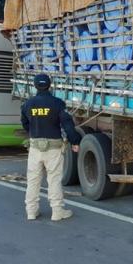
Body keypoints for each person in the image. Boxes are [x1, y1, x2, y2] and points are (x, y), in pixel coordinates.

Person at [21, 74, 82, 221]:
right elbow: (67, 124)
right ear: (50, 85)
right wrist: (75, 141)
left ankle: (31, 211)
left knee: (33, 180)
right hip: (53, 148)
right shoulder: (57, 103)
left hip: (35, 148)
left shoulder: (27, 105)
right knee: (54, 179)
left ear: (35, 86)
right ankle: (57, 211)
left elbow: (25, 124)